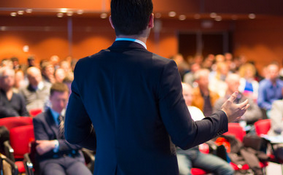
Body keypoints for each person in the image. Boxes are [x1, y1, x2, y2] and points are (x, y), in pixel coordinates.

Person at [64, 0, 249, 174]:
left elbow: (73, 134)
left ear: (112, 22)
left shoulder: (86, 67)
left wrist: (112, 144)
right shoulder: (162, 69)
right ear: (151, 20)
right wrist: (223, 116)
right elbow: (185, 136)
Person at [33, 83, 91, 175]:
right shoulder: (39, 119)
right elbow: (42, 149)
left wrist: (54, 144)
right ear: (50, 98)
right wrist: (68, 144)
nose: (61, 104)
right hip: (51, 161)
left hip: (73, 158)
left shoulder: (73, 117)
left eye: (64, 100)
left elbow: (79, 144)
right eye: (57, 100)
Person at [177, 83, 234, 175]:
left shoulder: (195, 110)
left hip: (196, 152)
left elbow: (206, 131)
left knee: (227, 169)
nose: (190, 98)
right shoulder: (173, 114)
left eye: (191, 95)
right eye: (186, 95)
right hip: (179, 152)